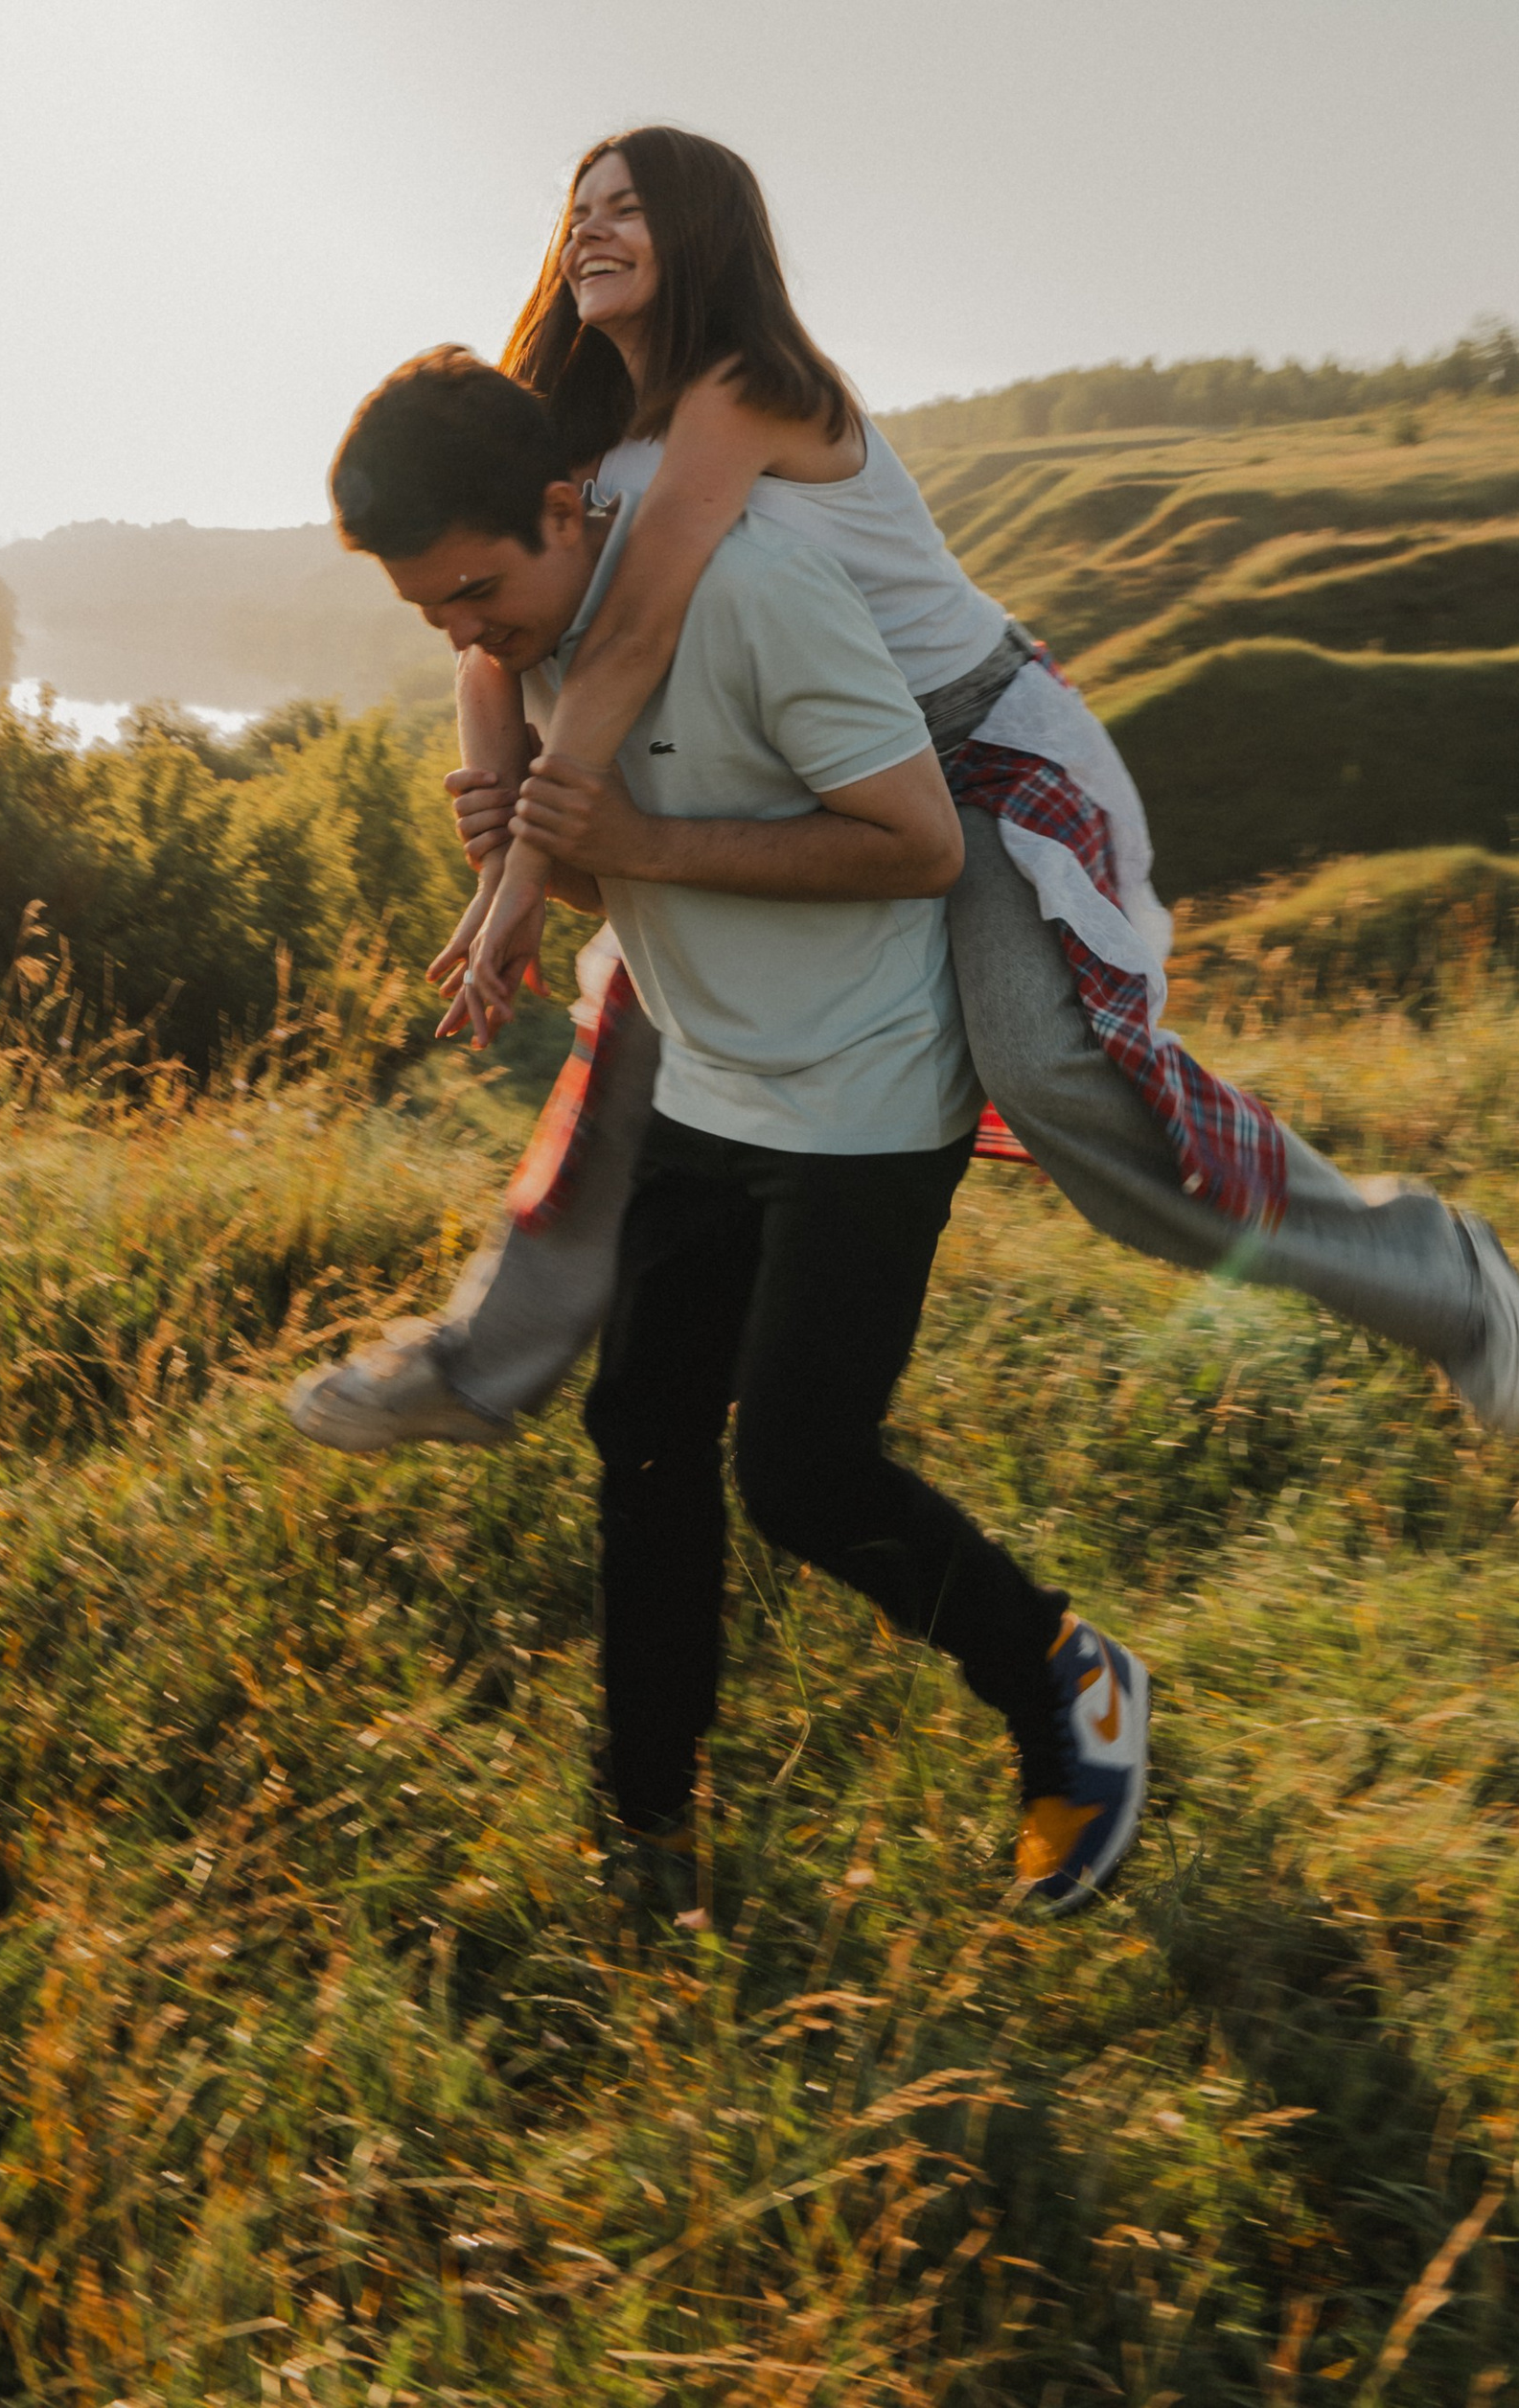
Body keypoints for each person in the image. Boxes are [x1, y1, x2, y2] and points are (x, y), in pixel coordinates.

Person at [287, 127, 1519, 1452]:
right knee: (643, 1018)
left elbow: (638, 620)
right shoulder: (558, 431)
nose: (594, 229)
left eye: (631, 209)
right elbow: (489, 628)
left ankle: (1431, 1272)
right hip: (789, 755)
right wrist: (509, 864)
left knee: (1052, 1074)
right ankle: (485, 1362)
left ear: (705, 228)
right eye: (580, 208)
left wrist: (540, 866)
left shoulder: (747, 384)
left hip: (974, 750)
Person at [324, 343, 1154, 1915]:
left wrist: (624, 835)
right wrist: (541, 857)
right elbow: (630, 878)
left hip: (868, 1090)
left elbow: (912, 845)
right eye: (430, 613)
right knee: (641, 1439)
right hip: (707, 1078)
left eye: (477, 591)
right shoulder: (539, 650)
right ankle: (650, 1828)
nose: (465, 638)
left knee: (799, 1470)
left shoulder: (755, 595)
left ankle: (1064, 1676)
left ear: (570, 509)